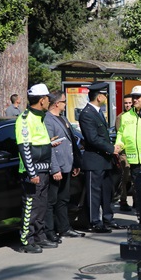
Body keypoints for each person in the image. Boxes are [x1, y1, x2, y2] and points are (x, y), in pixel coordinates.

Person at [14, 84, 56, 253]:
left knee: (41, 205)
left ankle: (39, 236)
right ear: (41, 100)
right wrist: (32, 173)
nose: (49, 102)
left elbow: (38, 144)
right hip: (32, 172)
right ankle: (26, 240)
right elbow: (24, 147)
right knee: (31, 206)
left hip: (43, 169)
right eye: (47, 99)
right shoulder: (25, 119)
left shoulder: (39, 117)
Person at [79, 82, 122, 233]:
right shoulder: (87, 114)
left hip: (104, 160)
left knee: (106, 191)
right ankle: (94, 221)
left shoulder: (96, 111)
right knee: (94, 193)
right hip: (94, 160)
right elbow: (92, 138)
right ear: (99, 97)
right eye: (104, 95)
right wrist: (111, 148)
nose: (106, 97)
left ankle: (108, 219)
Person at [44, 91, 84, 242]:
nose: (65, 104)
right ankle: (50, 231)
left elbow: (70, 142)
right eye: (63, 102)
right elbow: (50, 146)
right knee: (52, 200)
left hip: (67, 165)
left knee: (63, 199)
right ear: (56, 104)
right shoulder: (48, 120)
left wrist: (75, 163)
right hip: (57, 168)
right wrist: (55, 168)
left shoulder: (62, 118)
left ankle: (64, 228)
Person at [114, 95, 134, 211]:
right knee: (125, 177)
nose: (128, 105)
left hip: (137, 152)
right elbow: (120, 135)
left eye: (130, 103)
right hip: (125, 152)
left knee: (135, 178)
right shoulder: (120, 117)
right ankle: (123, 200)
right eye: (126, 103)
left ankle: (137, 201)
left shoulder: (140, 116)